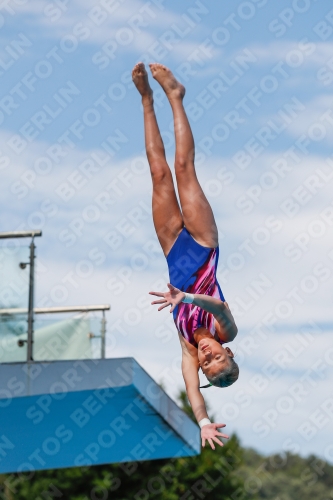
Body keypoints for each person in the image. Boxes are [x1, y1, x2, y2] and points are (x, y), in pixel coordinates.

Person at [132, 62, 239, 450]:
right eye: (217, 358)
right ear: (227, 351)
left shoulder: (187, 349)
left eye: (208, 364)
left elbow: (192, 391)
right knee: (182, 167)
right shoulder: (226, 330)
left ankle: (146, 99)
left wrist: (204, 421)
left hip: (173, 248)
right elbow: (219, 304)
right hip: (202, 243)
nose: (209, 357)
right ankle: (176, 96)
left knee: (159, 173)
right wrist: (188, 298)